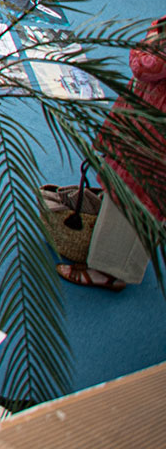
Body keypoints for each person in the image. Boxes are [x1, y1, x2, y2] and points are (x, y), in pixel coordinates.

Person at [59, 16, 165, 291]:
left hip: (154, 134)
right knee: (138, 193)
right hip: (150, 121)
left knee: (136, 195)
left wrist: (150, 39)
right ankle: (122, 255)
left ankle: (111, 270)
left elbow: (148, 65)